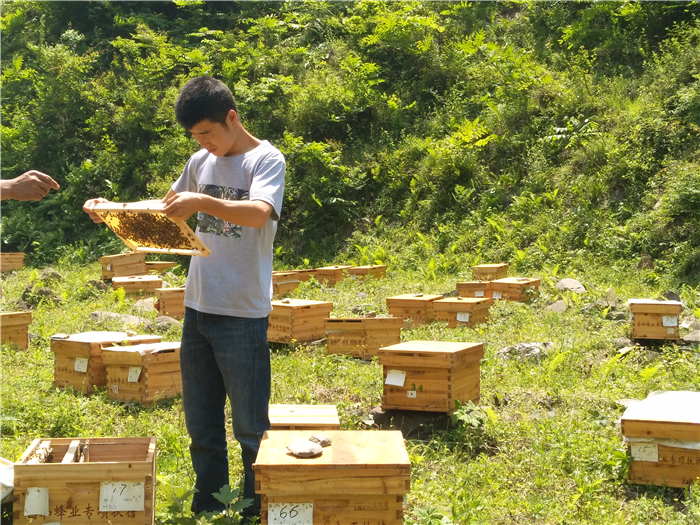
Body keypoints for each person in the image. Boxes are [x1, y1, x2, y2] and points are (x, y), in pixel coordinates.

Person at [84, 76, 285, 522]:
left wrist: (203, 201)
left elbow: (258, 213)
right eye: (196, 137)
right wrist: (113, 208)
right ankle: (210, 507)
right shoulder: (199, 161)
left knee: (251, 428)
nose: (204, 143)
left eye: (208, 133)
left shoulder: (265, 159)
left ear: (232, 117)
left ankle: (253, 511)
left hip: (242, 313)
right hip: (198, 311)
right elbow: (166, 208)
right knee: (202, 427)